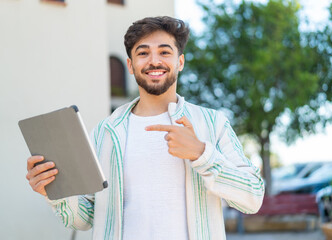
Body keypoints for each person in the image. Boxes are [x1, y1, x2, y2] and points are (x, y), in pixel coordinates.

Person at [26, 16, 264, 240]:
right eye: (143, 53)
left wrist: (202, 154)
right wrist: (53, 192)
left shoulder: (213, 124)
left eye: (164, 52)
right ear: (130, 65)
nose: (154, 61)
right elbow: (88, 218)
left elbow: (253, 198)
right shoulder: (105, 131)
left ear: (179, 62)